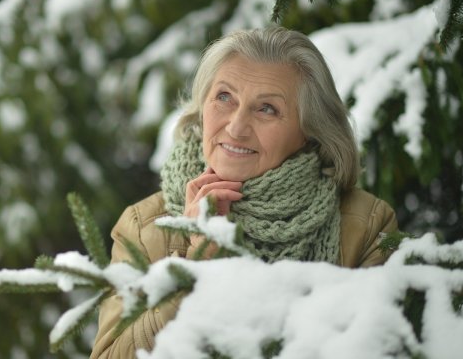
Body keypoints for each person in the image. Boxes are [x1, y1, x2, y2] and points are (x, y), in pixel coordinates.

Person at [90, 27, 398, 358]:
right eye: (224, 97)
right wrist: (191, 272)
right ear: (203, 105)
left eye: (266, 108)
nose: (236, 127)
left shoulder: (366, 225)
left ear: (309, 132)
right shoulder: (145, 226)